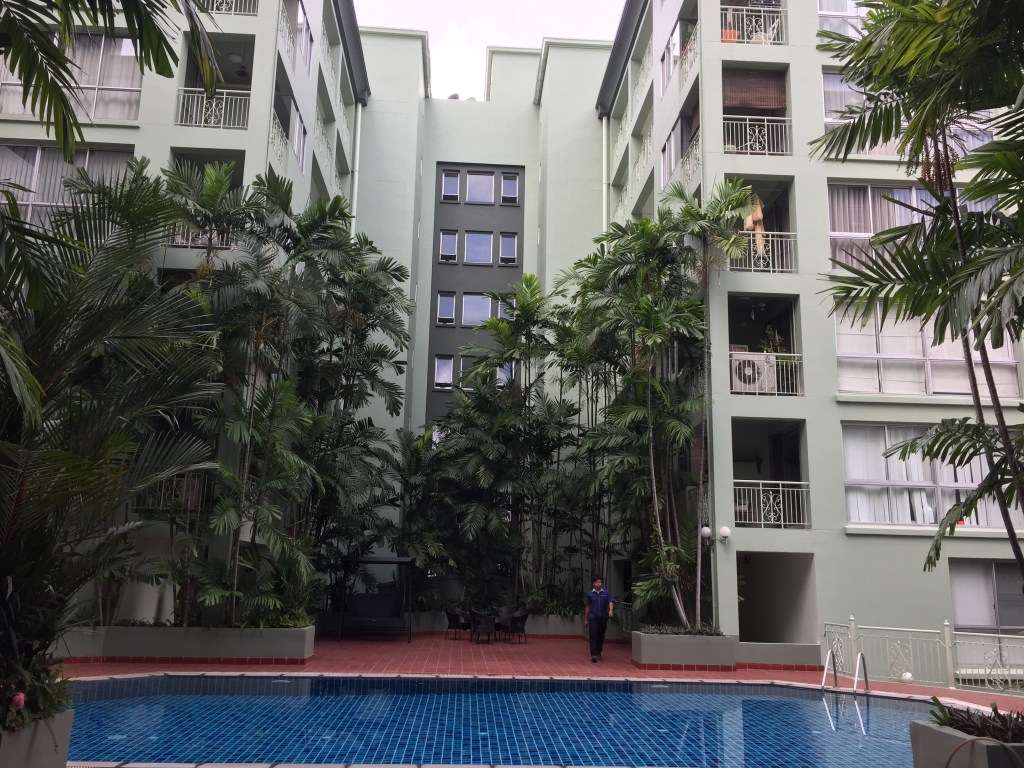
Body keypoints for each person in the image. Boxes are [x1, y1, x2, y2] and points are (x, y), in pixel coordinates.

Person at [583, 575, 614, 662]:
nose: (598, 583)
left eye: (600, 582)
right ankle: (593, 654)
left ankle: (598, 651)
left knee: (601, 635)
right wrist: (586, 619)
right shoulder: (589, 594)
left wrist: (611, 611)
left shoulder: (606, 593)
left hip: (603, 617)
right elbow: (587, 607)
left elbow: (610, 602)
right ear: (593, 583)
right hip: (593, 617)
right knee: (593, 635)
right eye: (597, 582)